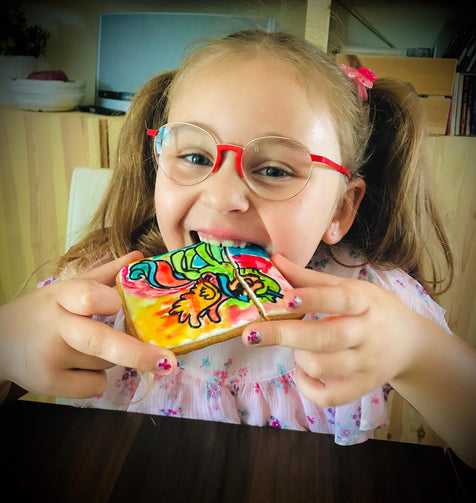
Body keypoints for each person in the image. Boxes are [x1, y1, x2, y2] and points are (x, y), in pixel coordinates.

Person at [1, 30, 475, 467]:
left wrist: (416, 352)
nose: (223, 196)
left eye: (274, 170)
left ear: (340, 209)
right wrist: (8, 343)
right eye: (195, 156)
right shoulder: (102, 295)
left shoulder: (368, 304)